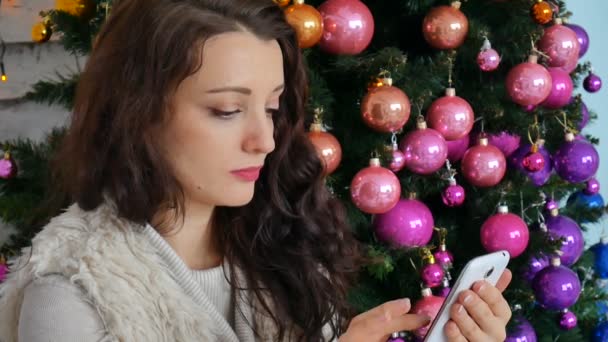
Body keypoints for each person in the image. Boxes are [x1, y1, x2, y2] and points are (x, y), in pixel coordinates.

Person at [0, 0, 512, 341]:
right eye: (226, 110)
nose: (264, 141)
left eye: (270, 109)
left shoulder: (282, 256)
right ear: (139, 114)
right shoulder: (69, 296)